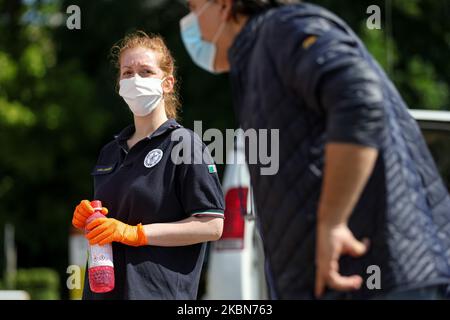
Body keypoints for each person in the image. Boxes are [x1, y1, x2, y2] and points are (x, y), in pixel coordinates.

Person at [179, 0, 450, 299]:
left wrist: (333, 221)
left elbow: (359, 99)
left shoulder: (284, 28)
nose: (190, 22)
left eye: (193, 7)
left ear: (224, 5)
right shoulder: (259, 54)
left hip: (380, 278)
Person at [71, 31, 225, 300]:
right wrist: (91, 220)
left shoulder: (184, 144)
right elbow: (112, 224)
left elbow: (211, 225)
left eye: (145, 71)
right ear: (119, 83)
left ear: (167, 83)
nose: (135, 79)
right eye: (127, 72)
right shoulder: (110, 151)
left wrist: (137, 233)